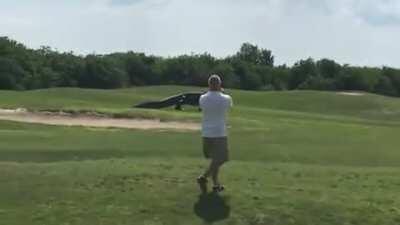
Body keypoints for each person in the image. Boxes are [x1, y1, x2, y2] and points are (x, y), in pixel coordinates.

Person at [197, 74, 233, 193]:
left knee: (215, 160)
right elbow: (228, 105)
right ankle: (203, 177)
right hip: (220, 133)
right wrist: (221, 92)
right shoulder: (226, 98)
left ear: (208, 85)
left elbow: (203, 106)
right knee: (221, 158)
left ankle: (216, 184)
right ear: (219, 84)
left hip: (206, 133)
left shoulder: (202, 98)